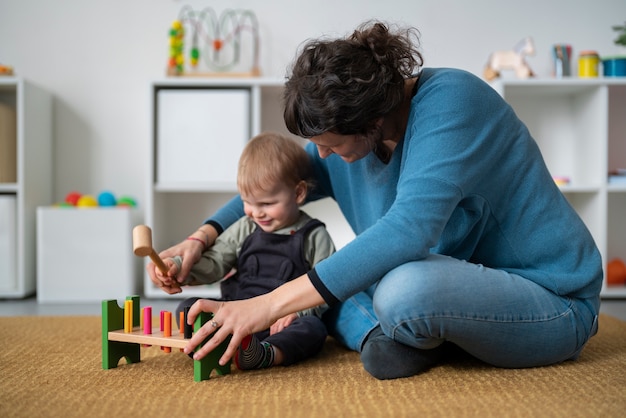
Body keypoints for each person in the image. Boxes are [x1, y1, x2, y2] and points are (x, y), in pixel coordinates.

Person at [149, 21, 602, 380]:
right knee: (335, 283)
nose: (320, 156)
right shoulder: (352, 140)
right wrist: (201, 236)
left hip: (550, 301)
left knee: (402, 289)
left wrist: (267, 304)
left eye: (329, 144)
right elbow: (279, 183)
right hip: (456, 285)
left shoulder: (454, 101)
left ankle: (407, 330)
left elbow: (409, 231)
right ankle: (386, 340)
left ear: (373, 118)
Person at [153, 132, 335, 370]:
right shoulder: (244, 227)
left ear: (298, 193)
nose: (256, 213)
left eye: (267, 204)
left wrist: (299, 313)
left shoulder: (314, 235)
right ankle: (222, 345)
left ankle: (267, 353)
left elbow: (325, 284)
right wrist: (180, 266)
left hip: (280, 321)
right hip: (235, 310)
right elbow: (216, 262)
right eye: (247, 202)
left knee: (313, 329)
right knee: (189, 308)